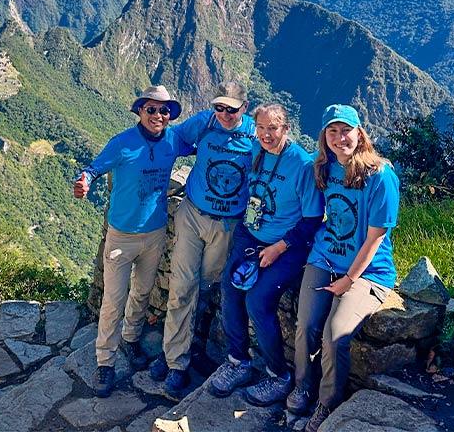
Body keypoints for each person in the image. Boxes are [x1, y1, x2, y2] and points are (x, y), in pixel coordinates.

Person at [287, 104, 400, 432]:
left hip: (367, 271)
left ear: (359, 133)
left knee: (335, 335)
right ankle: (303, 385)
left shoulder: (380, 176)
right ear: (324, 137)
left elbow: (376, 237)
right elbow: (285, 155)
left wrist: (349, 279)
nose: (340, 138)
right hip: (323, 257)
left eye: (346, 130)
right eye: (332, 132)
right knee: (305, 325)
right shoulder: (322, 167)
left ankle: (327, 404)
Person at [73, 85, 190, 398]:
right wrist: (84, 182)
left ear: (169, 115)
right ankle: (105, 362)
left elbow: (203, 142)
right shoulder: (123, 143)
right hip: (121, 236)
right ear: (140, 111)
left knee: (141, 292)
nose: (157, 115)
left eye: (163, 110)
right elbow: (93, 168)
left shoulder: (173, 140)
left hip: (154, 235)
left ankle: (131, 337)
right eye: (151, 109)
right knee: (113, 299)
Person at [207, 104, 324, 404]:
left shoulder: (301, 165)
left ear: (286, 129)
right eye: (261, 128)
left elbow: (312, 219)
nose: (266, 134)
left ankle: (278, 375)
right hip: (251, 234)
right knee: (230, 289)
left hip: (289, 247)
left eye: (273, 128)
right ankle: (238, 362)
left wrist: (279, 247)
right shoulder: (256, 154)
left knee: (258, 301)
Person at [150, 81, 256, 398]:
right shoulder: (205, 122)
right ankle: (176, 362)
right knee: (182, 286)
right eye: (219, 107)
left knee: (208, 286)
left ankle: (189, 345)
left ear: (245, 107)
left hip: (227, 225)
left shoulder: (255, 135)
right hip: (193, 215)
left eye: (231, 109)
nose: (223, 113)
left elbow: (287, 160)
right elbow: (174, 139)